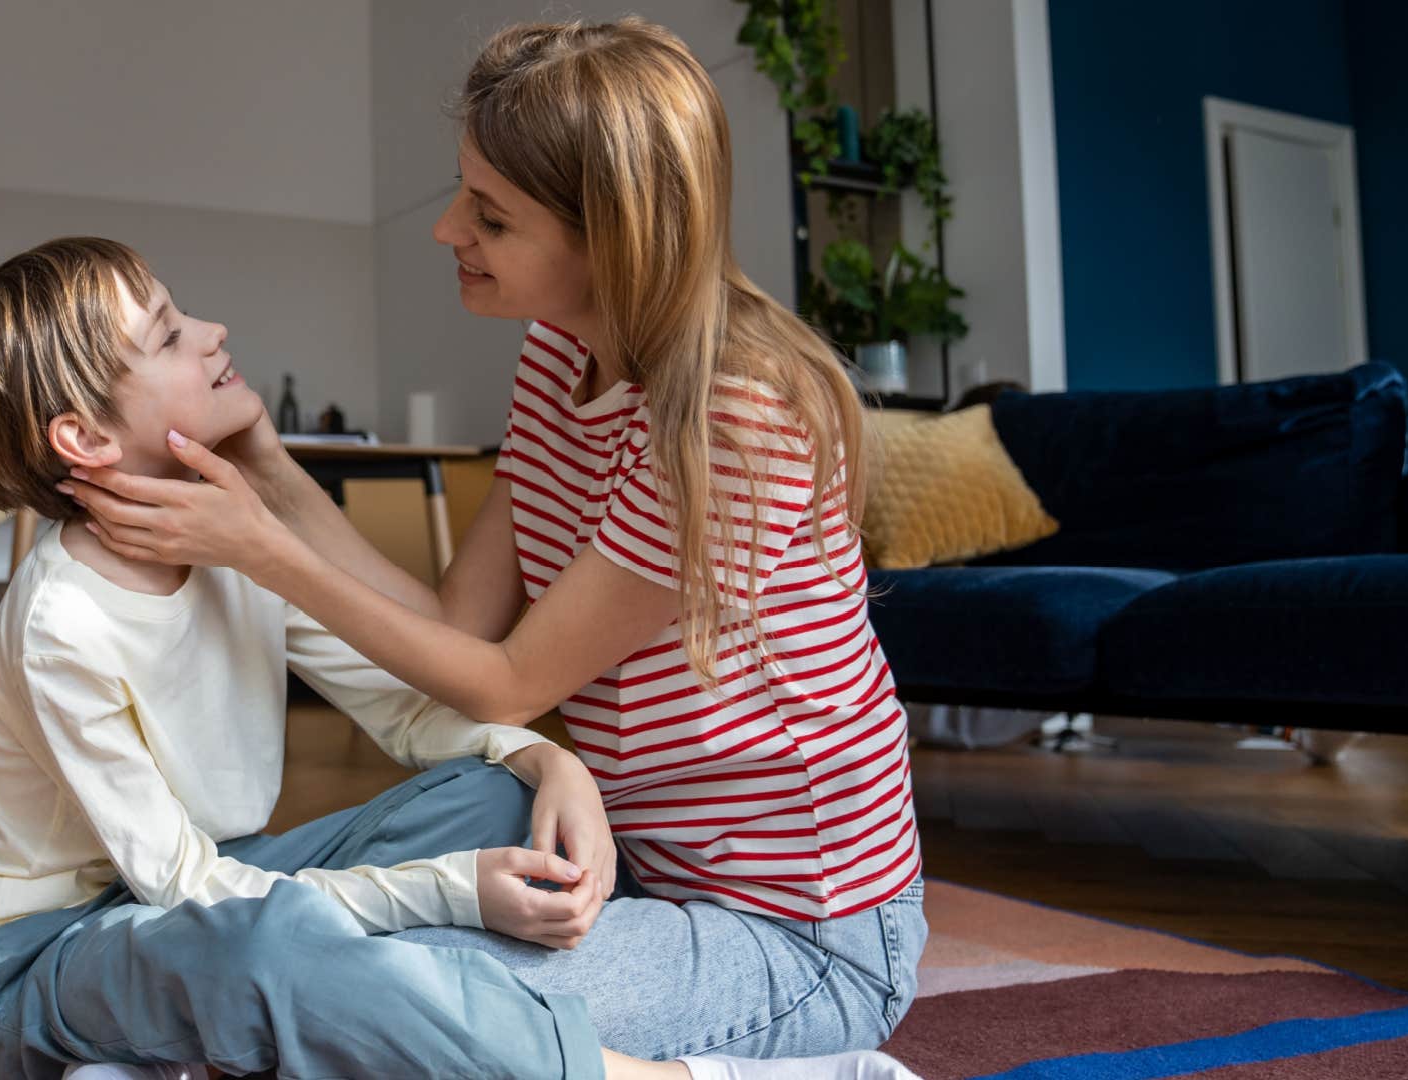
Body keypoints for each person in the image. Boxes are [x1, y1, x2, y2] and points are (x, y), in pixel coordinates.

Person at [65, 19, 926, 1080]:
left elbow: (508, 684)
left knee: (371, 993)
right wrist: (275, 479)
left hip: (809, 938)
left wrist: (261, 551)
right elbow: (455, 629)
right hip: (646, 873)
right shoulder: (562, 354)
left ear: (611, 237)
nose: (447, 231)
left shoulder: (735, 414)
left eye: (493, 214)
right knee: (320, 967)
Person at [0, 236, 705, 1080]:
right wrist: (454, 889)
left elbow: (406, 709)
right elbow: (187, 897)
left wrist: (548, 762)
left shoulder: (233, 536)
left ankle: (206, 1044)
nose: (213, 331)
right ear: (85, 436)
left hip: (227, 888)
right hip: (49, 955)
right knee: (266, 945)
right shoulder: (60, 621)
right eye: (170, 335)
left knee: (501, 800)